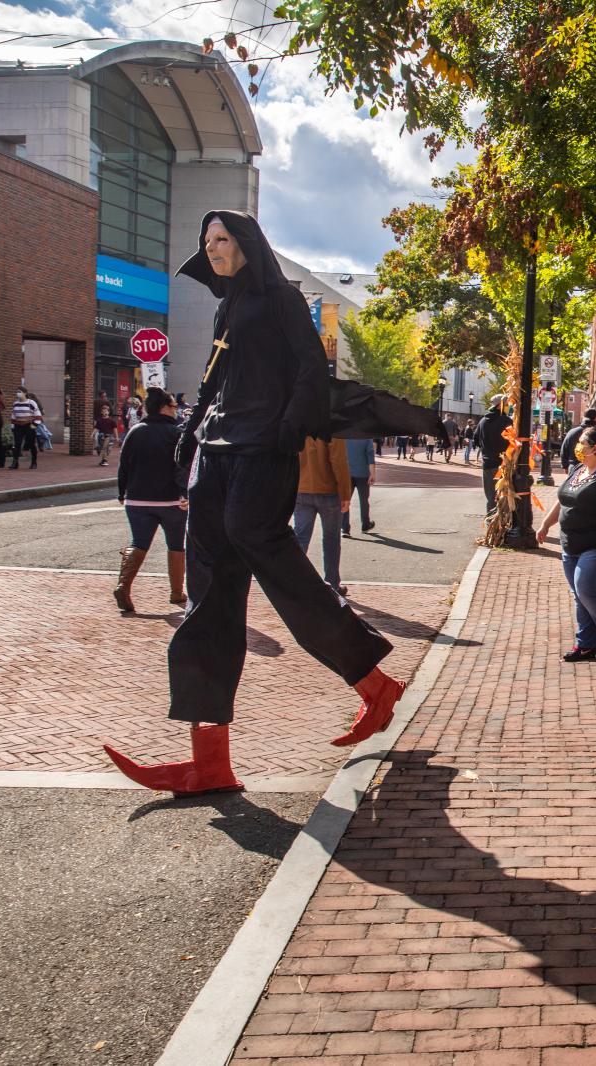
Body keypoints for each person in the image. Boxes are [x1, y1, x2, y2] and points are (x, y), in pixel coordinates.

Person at [103, 209, 405, 796]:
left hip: (262, 451)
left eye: (222, 239)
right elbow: (215, 377)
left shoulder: (281, 301)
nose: (213, 248)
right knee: (208, 598)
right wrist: (189, 437)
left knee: (271, 556)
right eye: (206, 240)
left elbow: (311, 373)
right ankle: (209, 761)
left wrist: (287, 431)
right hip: (217, 452)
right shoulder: (228, 305)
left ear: (245, 244)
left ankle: (372, 681)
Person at [536, 427, 596, 661]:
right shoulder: (579, 470)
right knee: (578, 594)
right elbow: (563, 501)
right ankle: (586, 645)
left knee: (587, 589)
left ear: (595, 448)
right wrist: (546, 524)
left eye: (582, 442)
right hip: (571, 543)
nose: (578, 446)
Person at [114, 387, 188, 613]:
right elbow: (181, 468)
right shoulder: (176, 434)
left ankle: (123, 585)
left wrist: (122, 492)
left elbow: (124, 465)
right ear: (165, 407)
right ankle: (176, 592)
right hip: (170, 501)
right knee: (176, 545)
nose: (176, 410)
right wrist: (185, 493)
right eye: (174, 406)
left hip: (136, 500)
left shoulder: (135, 431)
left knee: (139, 543)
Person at [295, 436, 354, 596]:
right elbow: (339, 461)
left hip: (302, 488)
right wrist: (345, 494)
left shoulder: (298, 422)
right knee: (331, 539)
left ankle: (294, 582)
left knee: (300, 538)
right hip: (328, 491)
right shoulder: (331, 425)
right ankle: (333, 583)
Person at [473, 398, 513, 515]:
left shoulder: (483, 421)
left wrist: (486, 448)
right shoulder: (506, 421)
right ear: (500, 406)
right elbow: (513, 442)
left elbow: (476, 440)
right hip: (503, 464)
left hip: (488, 464)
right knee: (504, 495)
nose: (507, 406)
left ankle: (491, 523)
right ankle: (503, 522)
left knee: (491, 496)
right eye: (506, 404)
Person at [343, 438, 376, 536]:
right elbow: (370, 456)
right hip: (363, 474)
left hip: (347, 473)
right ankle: (365, 525)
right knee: (364, 501)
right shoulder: (366, 438)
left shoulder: (344, 436)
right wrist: (373, 473)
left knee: (345, 499)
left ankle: (345, 528)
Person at [8, 387, 42, 469]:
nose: (18, 393)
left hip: (28, 425)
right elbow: (13, 416)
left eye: (19, 392)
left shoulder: (31, 403)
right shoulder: (15, 403)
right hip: (18, 426)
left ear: (25, 393)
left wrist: (34, 425)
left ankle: (34, 462)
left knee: (31, 444)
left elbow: (38, 415)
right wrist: (12, 426)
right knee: (17, 444)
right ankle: (15, 462)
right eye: (17, 392)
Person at [94, 401, 119, 466]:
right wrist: (92, 434)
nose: (105, 412)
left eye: (106, 411)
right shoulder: (99, 420)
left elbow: (115, 429)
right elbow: (96, 428)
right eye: (103, 411)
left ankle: (104, 460)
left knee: (104, 448)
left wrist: (116, 437)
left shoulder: (111, 421)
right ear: (101, 412)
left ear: (108, 412)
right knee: (103, 448)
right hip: (101, 436)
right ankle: (103, 459)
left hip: (109, 436)